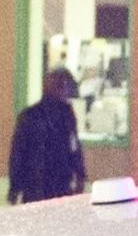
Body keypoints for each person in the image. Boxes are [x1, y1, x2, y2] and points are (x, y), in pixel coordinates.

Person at [7, 68, 88, 205]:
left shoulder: (66, 115)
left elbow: (74, 146)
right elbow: (19, 152)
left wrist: (80, 174)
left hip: (58, 181)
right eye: (60, 86)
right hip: (37, 182)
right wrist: (15, 186)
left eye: (64, 86)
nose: (63, 91)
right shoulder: (31, 116)